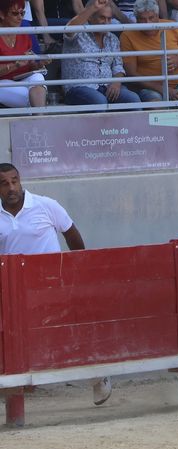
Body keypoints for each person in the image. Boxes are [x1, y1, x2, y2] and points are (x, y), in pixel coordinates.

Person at [0, 163, 112, 406]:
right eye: (4, 183)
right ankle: (13, 393)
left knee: (67, 337)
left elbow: (72, 235)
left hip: (52, 286)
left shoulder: (45, 205)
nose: (11, 187)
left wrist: (77, 272)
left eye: (15, 181)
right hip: (14, 291)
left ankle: (97, 378)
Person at [120, 0, 178, 102]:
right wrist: (163, 89)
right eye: (142, 19)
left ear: (157, 16)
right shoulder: (127, 35)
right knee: (156, 107)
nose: (148, 23)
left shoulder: (172, 26)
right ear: (136, 19)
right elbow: (131, 73)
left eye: (151, 18)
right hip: (150, 88)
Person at [61, 0, 141, 106]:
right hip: (78, 88)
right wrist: (92, 7)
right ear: (90, 17)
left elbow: (118, 66)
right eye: (102, 18)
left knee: (133, 99)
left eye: (109, 19)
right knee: (100, 101)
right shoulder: (78, 34)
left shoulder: (112, 39)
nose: (106, 23)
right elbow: (68, 29)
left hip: (108, 87)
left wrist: (116, 83)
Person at [0, 0, 50, 108]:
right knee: (34, 96)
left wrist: (39, 64)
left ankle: (39, 117)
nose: (20, 17)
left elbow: (29, 65)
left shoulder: (23, 33)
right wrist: (16, 65)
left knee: (38, 76)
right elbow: (19, 64)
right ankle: (40, 111)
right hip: (3, 82)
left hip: (20, 78)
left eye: (22, 13)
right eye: (15, 13)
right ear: (2, 14)